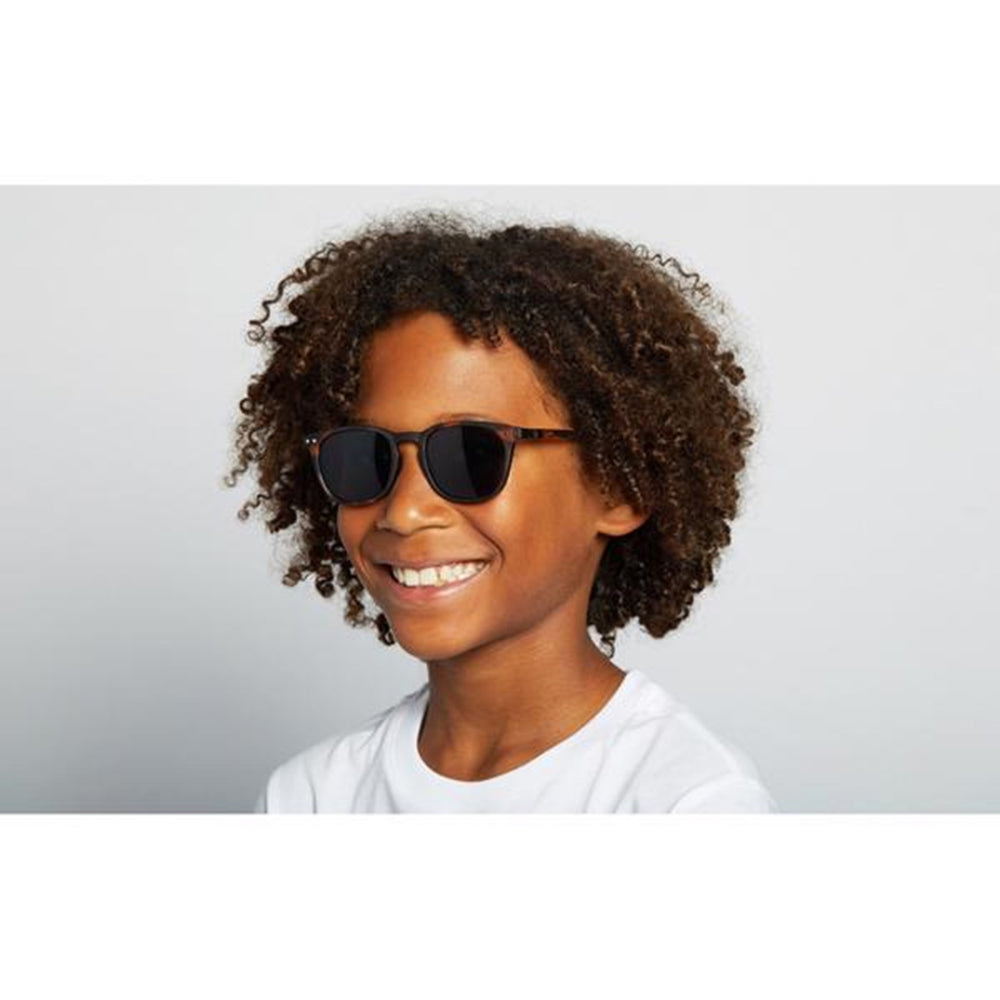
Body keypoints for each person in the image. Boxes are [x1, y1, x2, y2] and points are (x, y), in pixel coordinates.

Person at [224, 208, 776, 812]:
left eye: (470, 454)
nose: (404, 512)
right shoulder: (310, 797)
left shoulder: (689, 803)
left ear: (620, 487)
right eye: (365, 456)